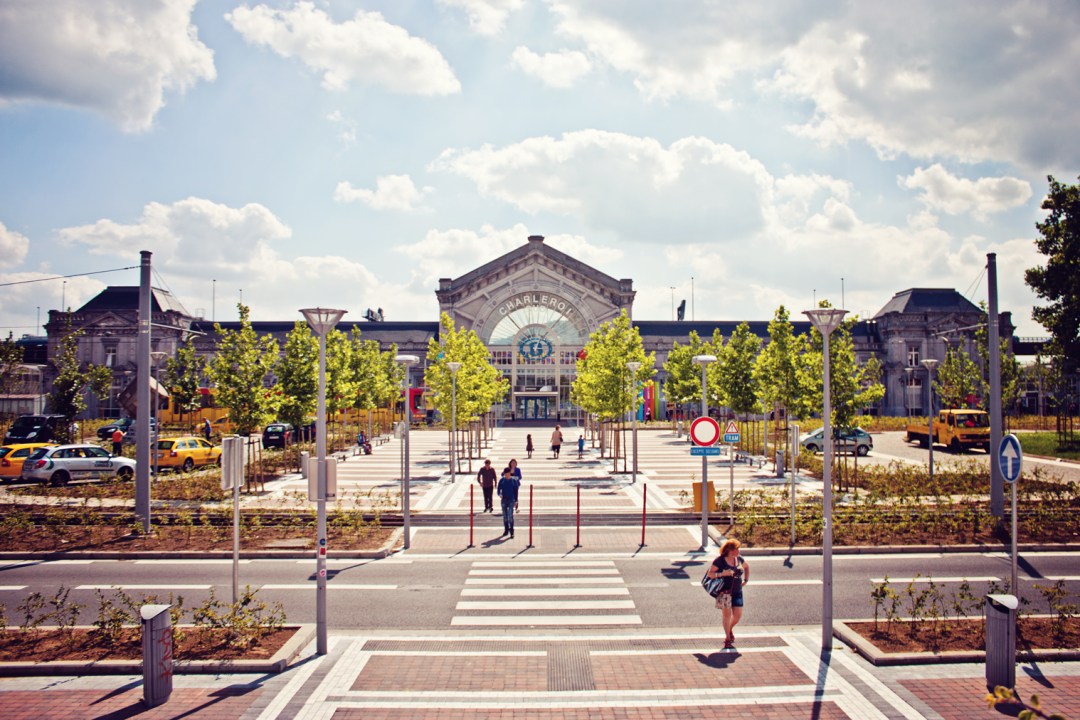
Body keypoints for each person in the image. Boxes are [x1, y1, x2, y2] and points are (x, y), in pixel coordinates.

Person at [707, 538, 750, 649]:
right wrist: (722, 573)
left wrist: (746, 580)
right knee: (727, 616)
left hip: (737, 591)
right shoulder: (719, 561)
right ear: (730, 550)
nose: (738, 550)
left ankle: (729, 629)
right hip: (723, 592)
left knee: (737, 616)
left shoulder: (739, 559)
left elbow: (746, 567)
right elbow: (710, 574)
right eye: (736, 548)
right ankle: (727, 638)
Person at [497, 466, 520, 537]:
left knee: (510, 515)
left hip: (511, 499)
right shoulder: (502, 480)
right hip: (504, 499)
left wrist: (516, 500)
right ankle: (506, 529)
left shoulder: (513, 481)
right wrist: (499, 494)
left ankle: (511, 531)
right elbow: (498, 489)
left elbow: (516, 491)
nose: (506, 475)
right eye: (505, 473)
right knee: (505, 516)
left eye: (508, 473)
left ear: (510, 473)